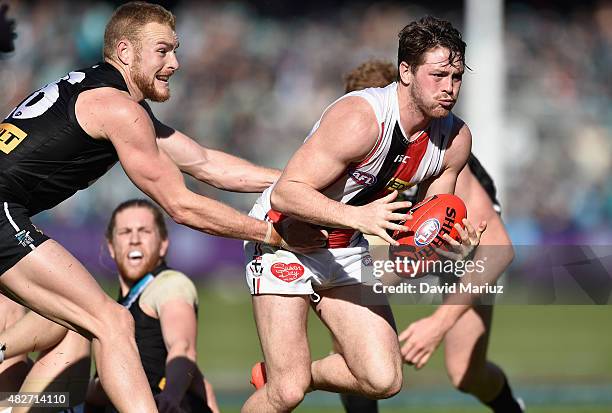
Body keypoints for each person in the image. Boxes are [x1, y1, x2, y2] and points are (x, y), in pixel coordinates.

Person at [0, 2, 323, 412]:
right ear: (125, 52)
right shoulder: (120, 109)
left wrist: (299, 185)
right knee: (112, 321)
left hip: (9, 213)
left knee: (64, 327)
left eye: (175, 50)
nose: (175, 62)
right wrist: (273, 234)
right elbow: (182, 205)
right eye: (163, 50)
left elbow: (203, 162)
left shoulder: (106, 95)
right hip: (3, 212)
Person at [243, 16, 486, 412]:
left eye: (456, 77)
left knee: (383, 379)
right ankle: (287, 378)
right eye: (438, 75)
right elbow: (286, 193)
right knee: (287, 392)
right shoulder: (361, 118)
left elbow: (419, 235)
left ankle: (290, 373)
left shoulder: (454, 140)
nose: (449, 88)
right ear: (406, 71)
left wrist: (449, 250)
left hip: (345, 246)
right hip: (285, 241)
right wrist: (359, 218)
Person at [337, 60, 524, 413]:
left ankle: (512, 408)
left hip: (461, 244)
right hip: (402, 241)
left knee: (465, 373)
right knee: (352, 342)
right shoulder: (351, 143)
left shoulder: (443, 151)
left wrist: (436, 325)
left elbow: (497, 249)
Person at [0, 199, 220, 413]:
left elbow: (182, 348)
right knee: (10, 308)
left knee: (71, 316)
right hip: (75, 400)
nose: (134, 240)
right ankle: (12, 400)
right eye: (125, 232)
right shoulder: (118, 307)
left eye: (144, 231)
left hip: (152, 405)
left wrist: (172, 394)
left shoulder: (168, 284)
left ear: (163, 244)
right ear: (111, 247)